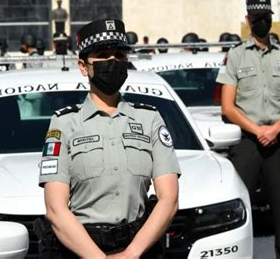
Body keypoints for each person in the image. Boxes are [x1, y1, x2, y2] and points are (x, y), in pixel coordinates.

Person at [37, 18, 181, 258]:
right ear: (84, 66)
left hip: (140, 248)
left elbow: (169, 199)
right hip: (82, 248)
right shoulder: (64, 124)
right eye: (103, 55)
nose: (112, 62)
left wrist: (132, 253)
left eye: (119, 55)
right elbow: (55, 209)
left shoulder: (150, 119)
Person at [216, 0, 280, 259]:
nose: (261, 22)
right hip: (248, 142)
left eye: (265, 18)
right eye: (256, 19)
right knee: (239, 208)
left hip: (277, 142)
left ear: (271, 19)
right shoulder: (236, 55)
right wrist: (259, 131)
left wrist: (274, 130)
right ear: (248, 20)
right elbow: (227, 107)